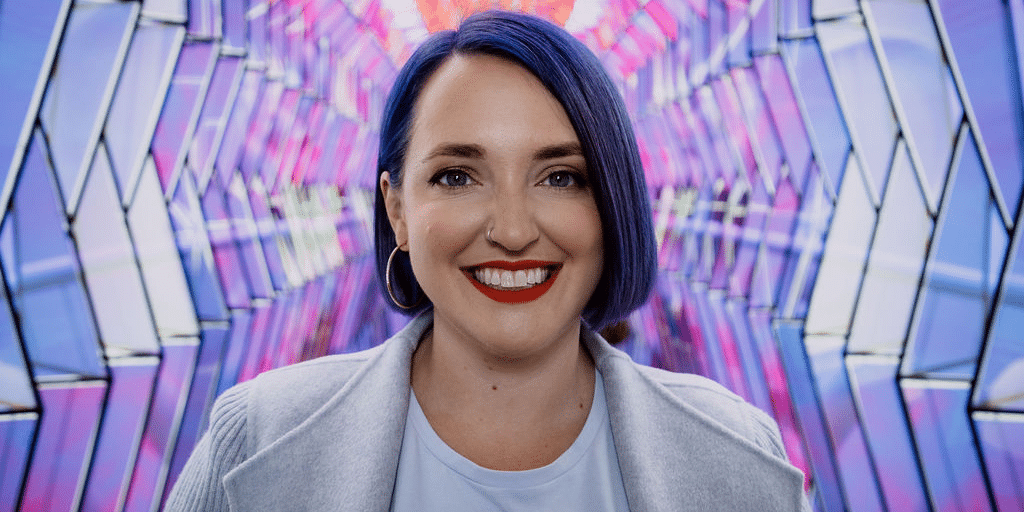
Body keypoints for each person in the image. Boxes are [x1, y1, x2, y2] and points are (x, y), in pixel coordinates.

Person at [166, 10, 810, 511]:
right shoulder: (254, 438)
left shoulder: (738, 455)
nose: (511, 231)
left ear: (611, 203)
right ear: (397, 212)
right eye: (456, 177)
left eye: (560, 178)